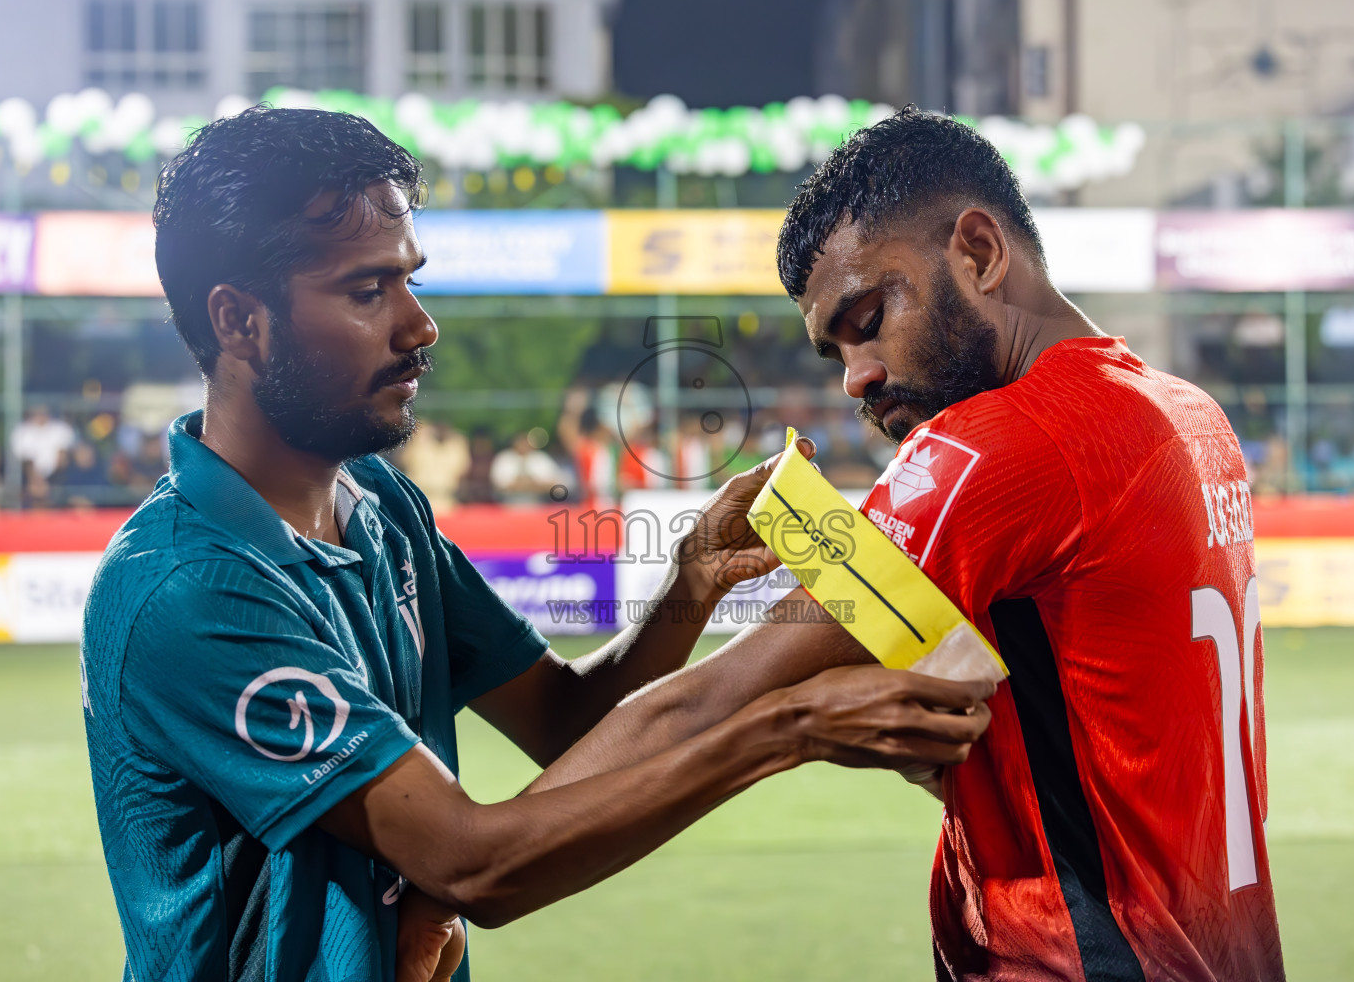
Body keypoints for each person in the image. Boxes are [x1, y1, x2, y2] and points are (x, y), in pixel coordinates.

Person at [80, 106, 995, 982]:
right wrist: (785, 727)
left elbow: (568, 724)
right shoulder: (187, 589)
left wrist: (691, 583)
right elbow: (475, 864)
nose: (417, 326)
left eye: (410, 279)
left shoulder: (383, 507)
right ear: (238, 320)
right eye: (366, 290)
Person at [533, 109, 1285, 982]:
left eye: (869, 316)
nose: (855, 375)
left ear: (976, 250)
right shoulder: (1191, 415)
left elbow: (704, 708)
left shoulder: (990, 447)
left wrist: (464, 875)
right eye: (833, 351)